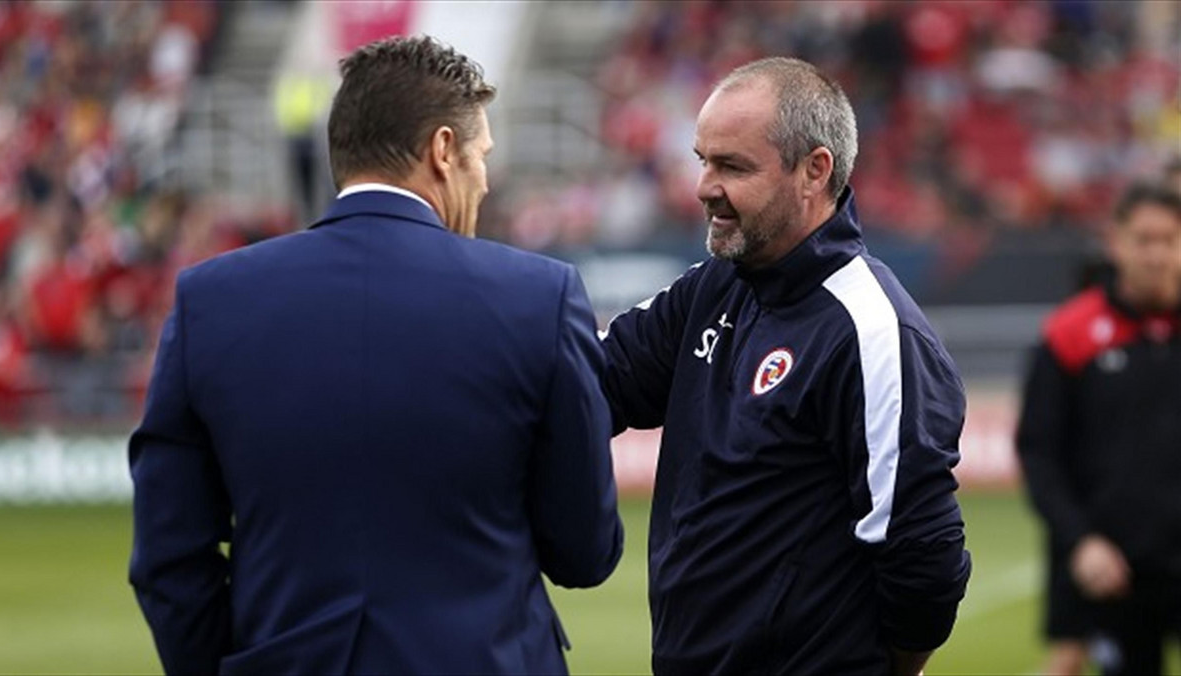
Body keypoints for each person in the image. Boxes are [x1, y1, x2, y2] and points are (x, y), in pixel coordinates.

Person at [129, 36, 623, 675]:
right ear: (442, 150)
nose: (487, 178)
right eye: (481, 155)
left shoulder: (209, 302)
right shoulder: (540, 297)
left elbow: (169, 559)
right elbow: (584, 551)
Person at [601, 57, 971, 675]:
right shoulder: (712, 289)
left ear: (814, 171)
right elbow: (595, 381)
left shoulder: (871, 331)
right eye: (703, 160)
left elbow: (922, 549)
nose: (704, 187)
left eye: (732, 166)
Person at [1016, 182, 1181, 676]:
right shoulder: (1070, 334)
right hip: (1106, 562)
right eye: (1143, 239)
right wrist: (1081, 540)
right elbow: (1039, 452)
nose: (1155, 254)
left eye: (1168, 240)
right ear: (1116, 242)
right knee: (1070, 659)